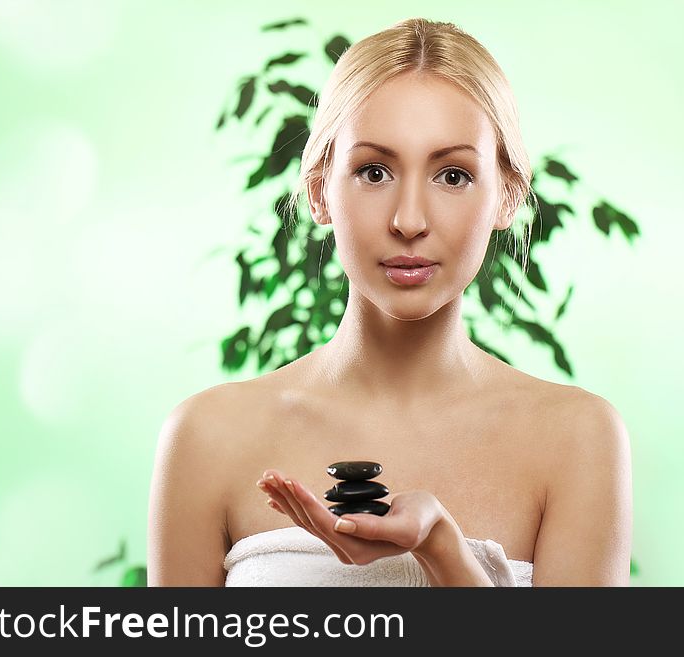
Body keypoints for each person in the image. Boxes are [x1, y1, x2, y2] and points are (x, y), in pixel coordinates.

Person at [147, 17, 632, 587]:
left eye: (452, 175)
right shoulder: (206, 438)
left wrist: (443, 552)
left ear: (507, 196)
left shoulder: (577, 438)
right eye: (374, 171)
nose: (409, 220)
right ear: (319, 190)